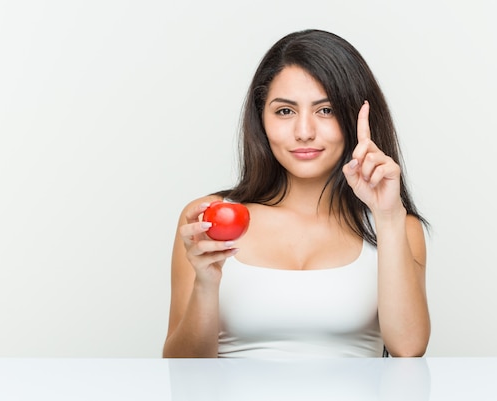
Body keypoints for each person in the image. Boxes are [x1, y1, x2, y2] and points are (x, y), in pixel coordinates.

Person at [163, 29, 430, 358]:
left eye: (326, 110)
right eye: (285, 111)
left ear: (355, 118)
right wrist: (205, 283)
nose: (304, 132)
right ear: (261, 119)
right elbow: (180, 369)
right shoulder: (209, 220)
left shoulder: (397, 226)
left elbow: (409, 349)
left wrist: (388, 217)